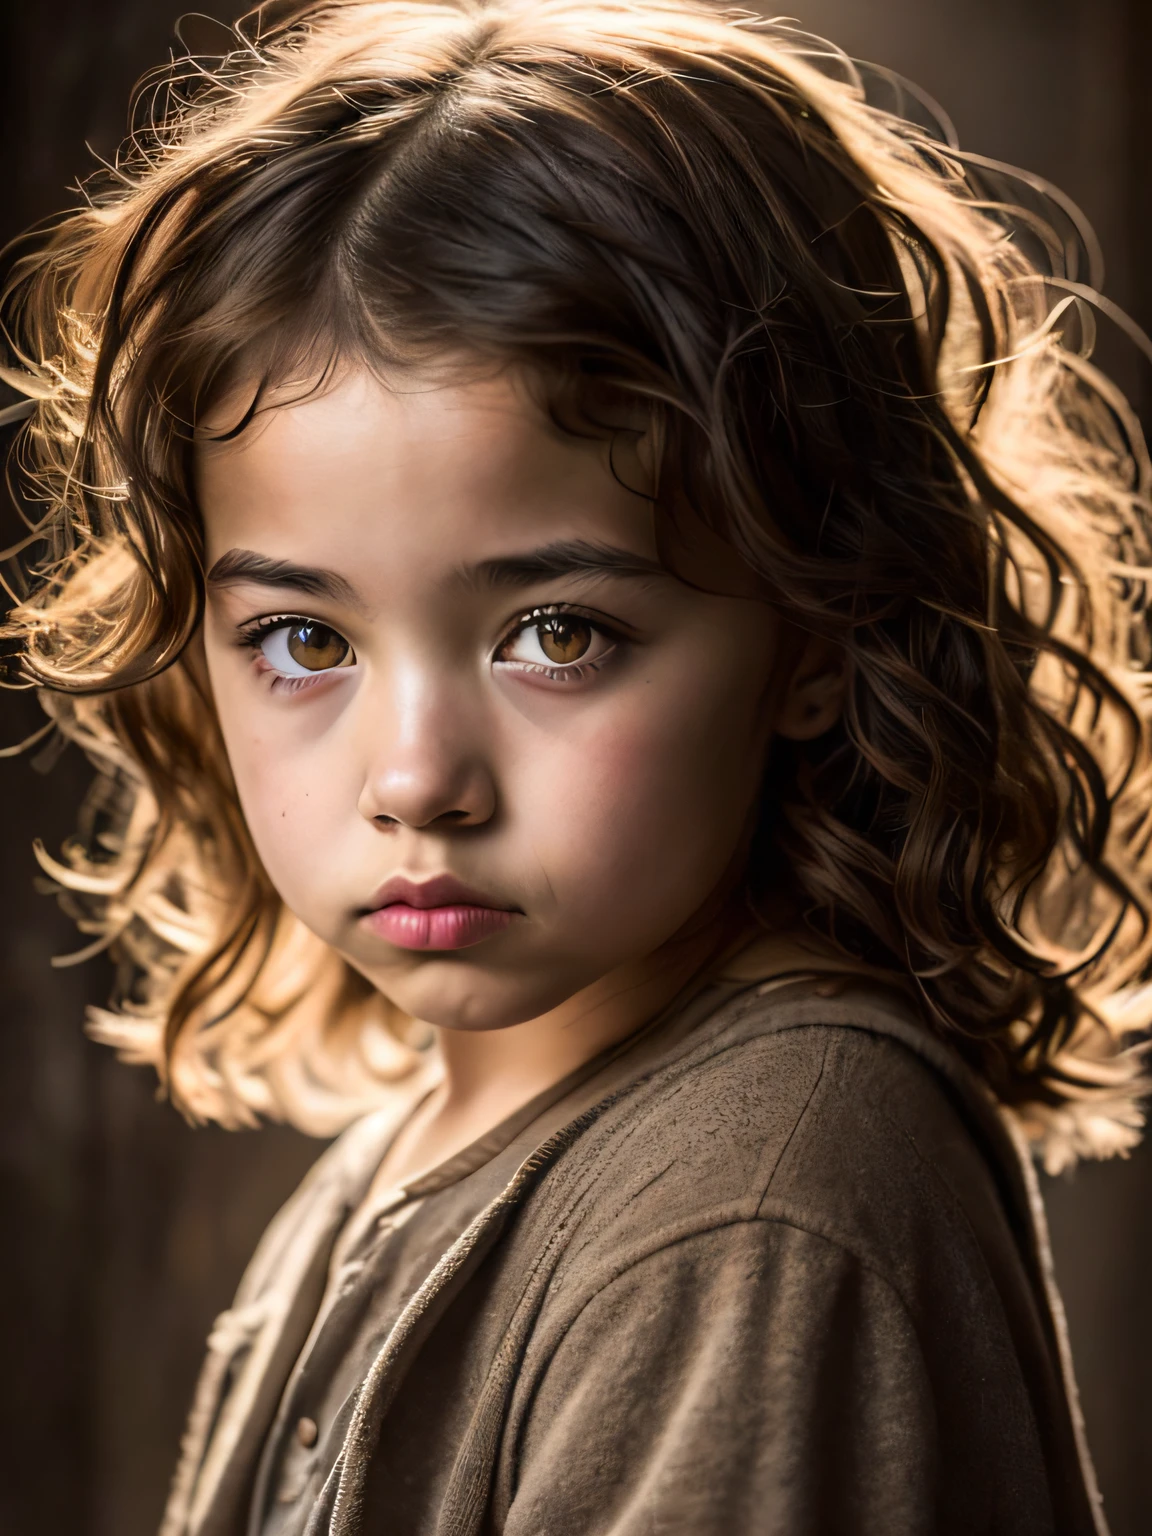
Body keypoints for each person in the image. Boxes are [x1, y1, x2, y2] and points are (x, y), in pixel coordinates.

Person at [2, 2, 1150, 1531]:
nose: (414, 778)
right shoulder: (421, 1147)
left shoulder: (746, 1208)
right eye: (302, 638)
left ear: (816, 632)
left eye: (555, 633)